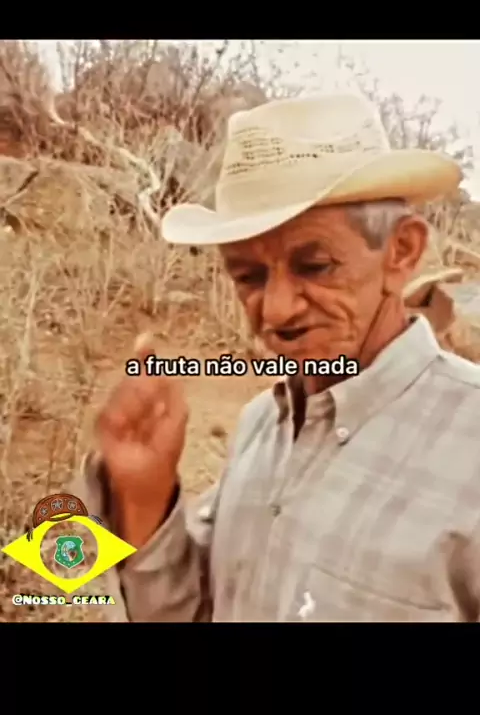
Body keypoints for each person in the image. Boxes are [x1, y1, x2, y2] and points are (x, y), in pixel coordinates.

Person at [78, 93, 480, 622]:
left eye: (315, 266)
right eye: (248, 276)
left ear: (400, 252)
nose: (276, 309)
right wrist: (145, 500)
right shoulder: (261, 425)